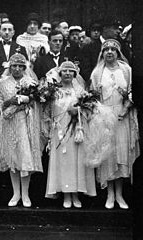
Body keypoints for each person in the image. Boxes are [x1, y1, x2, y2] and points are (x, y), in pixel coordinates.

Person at [90, 39, 140, 209]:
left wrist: (126, 108)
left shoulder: (127, 70)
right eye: (106, 49)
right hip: (104, 117)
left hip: (122, 116)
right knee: (108, 154)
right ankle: (109, 194)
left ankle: (119, 194)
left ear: (118, 53)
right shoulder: (97, 72)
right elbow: (93, 97)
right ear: (102, 53)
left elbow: (134, 91)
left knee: (121, 154)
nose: (109, 52)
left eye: (113, 49)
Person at [45, 61, 96, 208]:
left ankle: (76, 193)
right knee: (64, 161)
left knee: (77, 161)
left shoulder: (80, 91)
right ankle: (66, 194)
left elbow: (88, 110)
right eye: (65, 71)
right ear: (60, 73)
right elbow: (48, 111)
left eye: (70, 71)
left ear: (75, 74)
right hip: (60, 131)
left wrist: (78, 111)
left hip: (77, 130)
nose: (67, 73)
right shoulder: (53, 91)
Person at [0, 53, 42, 207]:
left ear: (24, 67)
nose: (16, 69)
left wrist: (25, 102)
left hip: (25, 122)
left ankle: (26, 194)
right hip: (8, 121)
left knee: (24, 156)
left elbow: (36, 103)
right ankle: (16, 193)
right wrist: (10, 101)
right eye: (14, 66)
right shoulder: (3, 83)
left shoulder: (30, 82)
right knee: (12, 156)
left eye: (20, 66)